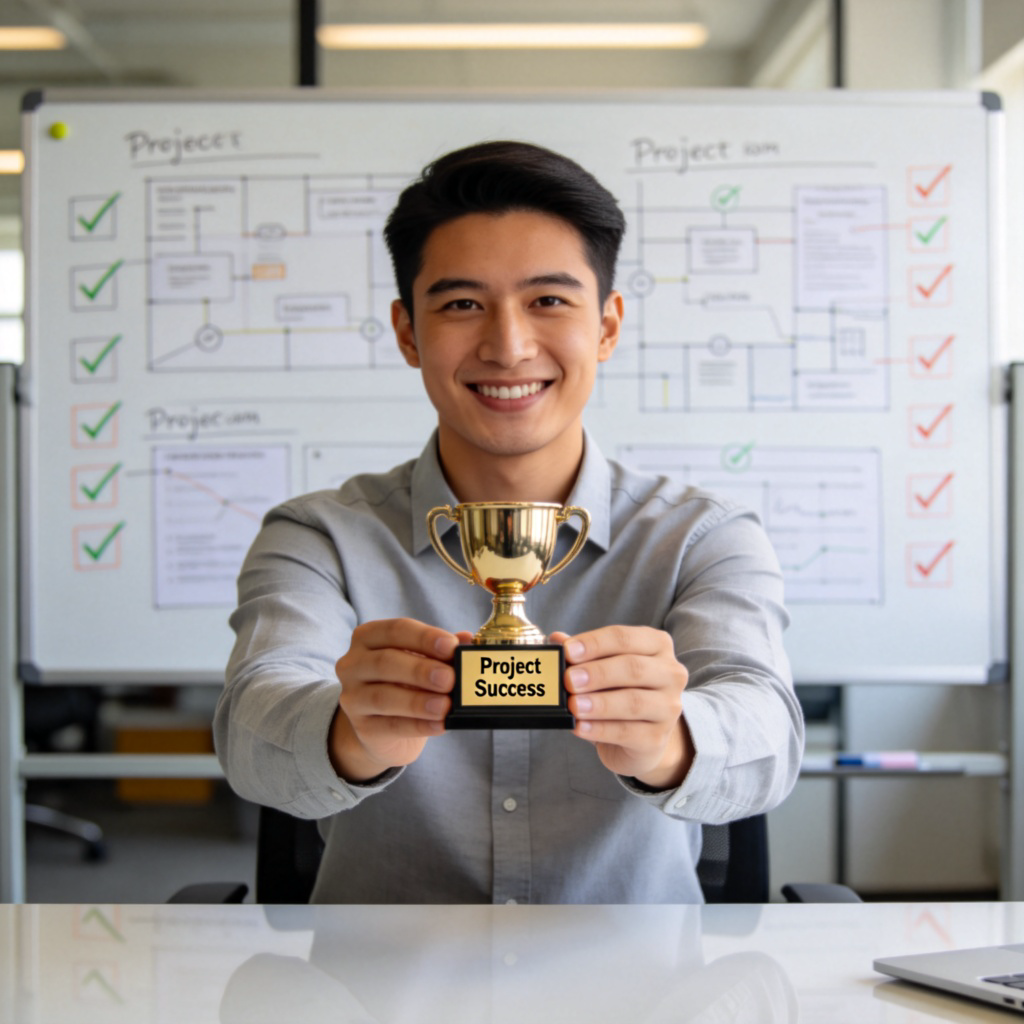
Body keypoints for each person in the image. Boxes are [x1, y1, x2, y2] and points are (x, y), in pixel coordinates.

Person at [214, 140, 803, 904]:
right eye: (461, 304)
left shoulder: (704, 536)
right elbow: (251, 729)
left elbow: (768, 735)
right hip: (382, 994)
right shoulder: (319, 536)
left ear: (608, 327)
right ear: (406, 332)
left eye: (549, 301)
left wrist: (671, 739)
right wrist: (348, 732)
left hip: (635, 994)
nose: (508, 345)